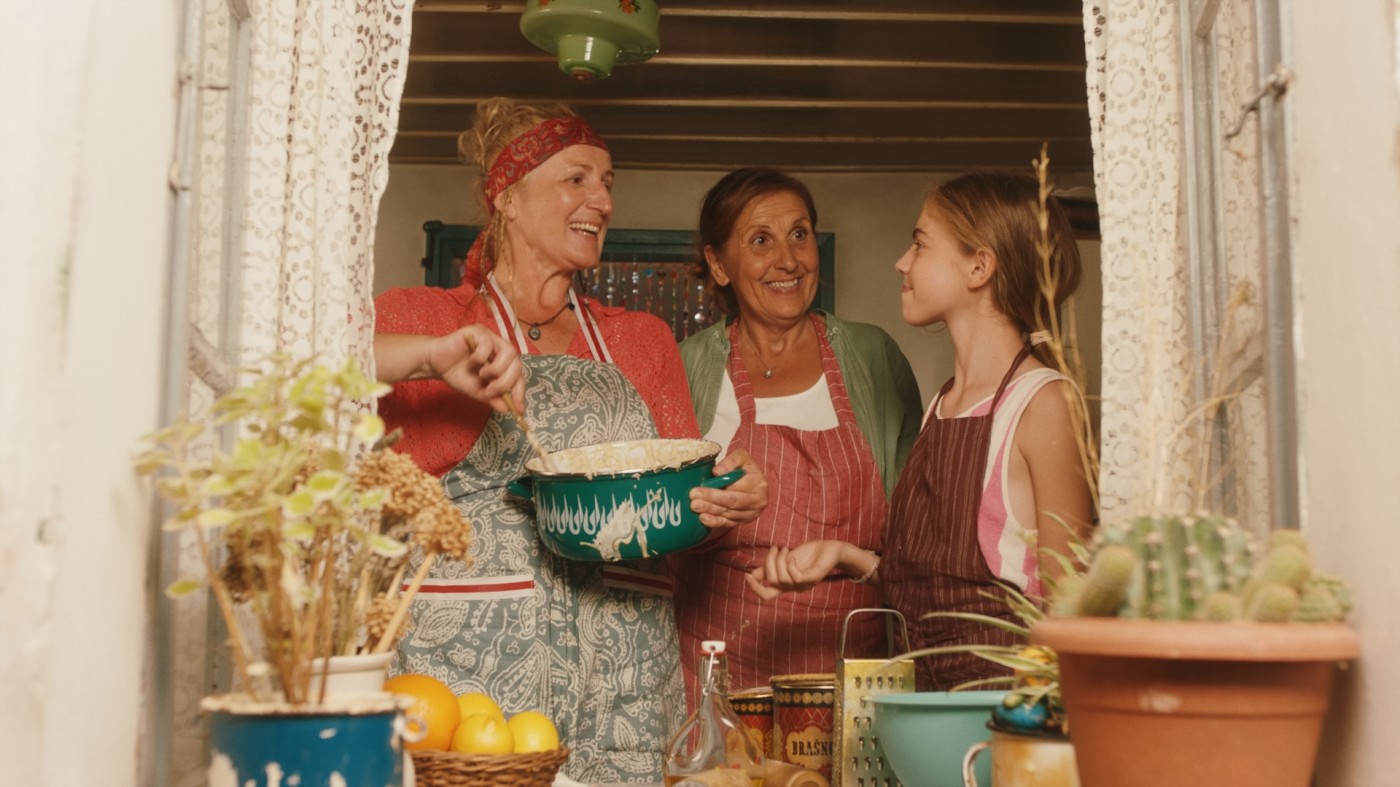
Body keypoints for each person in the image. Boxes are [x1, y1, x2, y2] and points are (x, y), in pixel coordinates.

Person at [373, 98, 769, 782]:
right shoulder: (426, 318)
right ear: (508, 197)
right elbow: (307, 366)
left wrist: (724, 500)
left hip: (621, 690)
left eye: (608, 181)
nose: (602, 199)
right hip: (465, 688)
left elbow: (677, 512)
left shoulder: (639, 341)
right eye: (577, 178)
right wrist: (434, 355)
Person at [747, 171, 1094, 691]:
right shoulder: (944, 403)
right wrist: (844, 556)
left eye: (919, 244)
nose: (902, 262)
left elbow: (1072, 610)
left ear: (979, 266)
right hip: (922, 711)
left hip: (1000, 721)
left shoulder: (1042, 402)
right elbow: (934, 589)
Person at [673, 167, 923, 701]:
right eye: (760, 241)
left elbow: (912, 533)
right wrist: (710, 516)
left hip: (856, 670)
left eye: (800, 233)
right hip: (718, 661)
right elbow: (657, 522)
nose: (788, 260)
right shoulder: (689, 367)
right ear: (719, 264)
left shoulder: (873, 358)